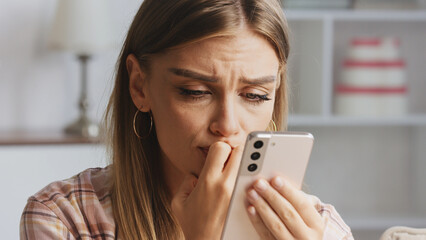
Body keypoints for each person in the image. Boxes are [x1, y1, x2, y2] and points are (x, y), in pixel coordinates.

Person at [20, 0, 354, 239]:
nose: (227, 124)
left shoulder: (321, 229)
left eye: (254, 96)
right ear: (139, 86)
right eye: (195, 91)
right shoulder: (63, 220)